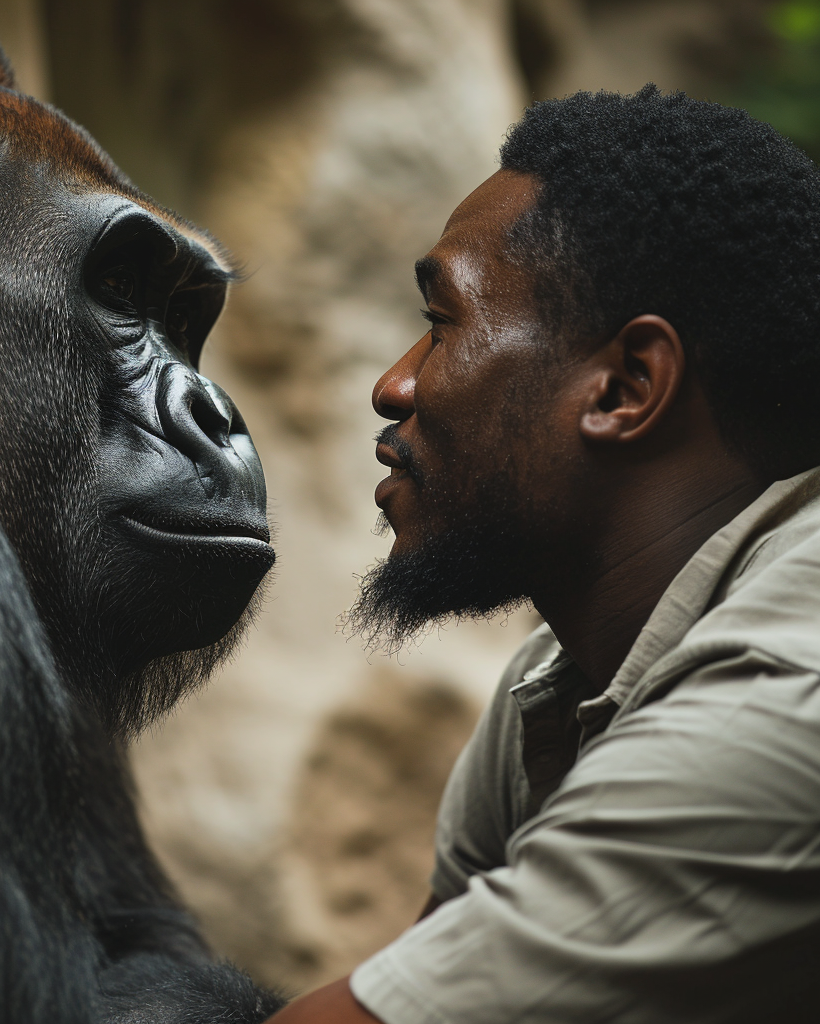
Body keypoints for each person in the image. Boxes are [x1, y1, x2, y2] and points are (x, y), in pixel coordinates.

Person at [267, 86, 820, 1024]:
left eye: (441, 323)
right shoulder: (561, 681)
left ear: (626, 386)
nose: (392, 384)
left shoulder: (784, 695)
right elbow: (423, 975)